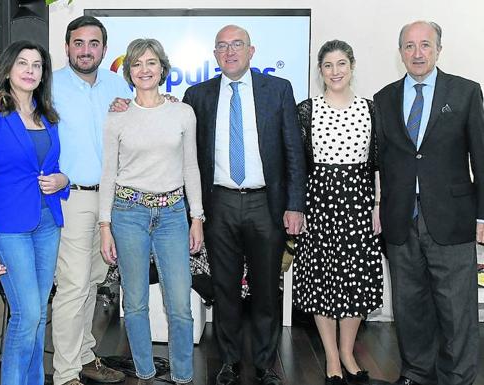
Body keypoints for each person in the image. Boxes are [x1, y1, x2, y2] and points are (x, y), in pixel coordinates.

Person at [0, 16, 130, 385]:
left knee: (91, 283)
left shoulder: (115, 86)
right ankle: (65, 373)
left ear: (104, 49)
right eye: (78, 43)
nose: (85, 50)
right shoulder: (51, 87)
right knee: (70, 288)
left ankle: (83, 355)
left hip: (105, 201)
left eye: (93, 43)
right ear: (67, 48)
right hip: (70, 202)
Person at [182, 25, 306, 385]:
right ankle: (230, 361)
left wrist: (295, 205)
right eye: (222, 46)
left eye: (237, 44)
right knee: (224, 288)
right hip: (218, 203)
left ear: (252, 51)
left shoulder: (277, 90)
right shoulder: (198, 94)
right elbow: (186, 149)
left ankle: (266, 364)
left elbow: (293, 152)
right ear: (215, 54)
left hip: (265, 203)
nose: (229, 51)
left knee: (267, 289)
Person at [374, 21, 483, 385]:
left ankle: (458, 378)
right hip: (401, 220)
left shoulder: (466, 92)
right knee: (409, 307)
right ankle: (417, 373)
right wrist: (379, 206)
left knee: (457, 311)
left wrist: (483, 216)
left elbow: (481, 159)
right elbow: (383, 161)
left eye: (425, 45)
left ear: (438, 49)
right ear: (400, 52)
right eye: (409, 46)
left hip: (452, 219)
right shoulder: (384, 98)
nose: (417, 53)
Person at [99, 38, 204, 384]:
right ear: (129, 72)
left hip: (173, 214)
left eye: (151, 62)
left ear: (163, 68)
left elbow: (191, 168)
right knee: (137, 303)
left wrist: (197, 217)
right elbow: (108, 174)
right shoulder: (117, 116)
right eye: (137, 64)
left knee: (180, 306)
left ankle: (184, 376)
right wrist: (104, 225)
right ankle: (144, 372)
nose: (144, 70)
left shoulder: (182, 112)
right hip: (128, 213)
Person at [0, 40, 69, 384]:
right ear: (8, 70)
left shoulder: (49, 117)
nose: (30, 71)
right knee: (26, 313)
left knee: (38, 314)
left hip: (47, 222)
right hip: (8, 226)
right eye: (23, 63)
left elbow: (54, 166)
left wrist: (64, 179)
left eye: (37, 65)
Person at [292, 40, 383, 385]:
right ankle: (331, 356)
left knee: (355, 280)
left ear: (352, 66)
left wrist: (377, 205)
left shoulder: (370, 109)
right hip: (319, 203)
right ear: (320, 71)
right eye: (328, 65)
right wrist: (297, 208)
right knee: (322, 280)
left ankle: (348, 353)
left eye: (341, 64)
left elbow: (378, 164)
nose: (335, 72)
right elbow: (298, 166)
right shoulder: (307, 110)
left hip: (359, 202)